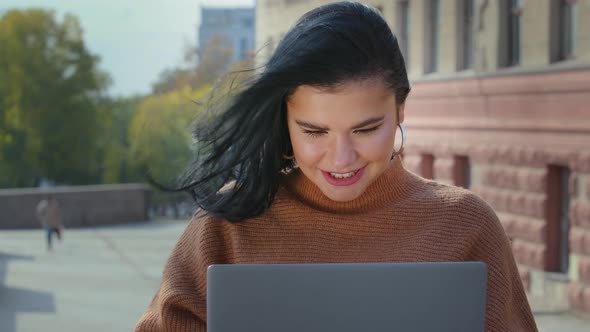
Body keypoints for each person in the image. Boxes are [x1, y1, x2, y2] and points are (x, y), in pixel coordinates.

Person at [135, 2, 537, 331]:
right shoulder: (226, 224)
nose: (341, 158)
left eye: (365, 129)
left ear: (399, 109)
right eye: (314, 131)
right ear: (284, 120)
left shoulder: (466, 225)